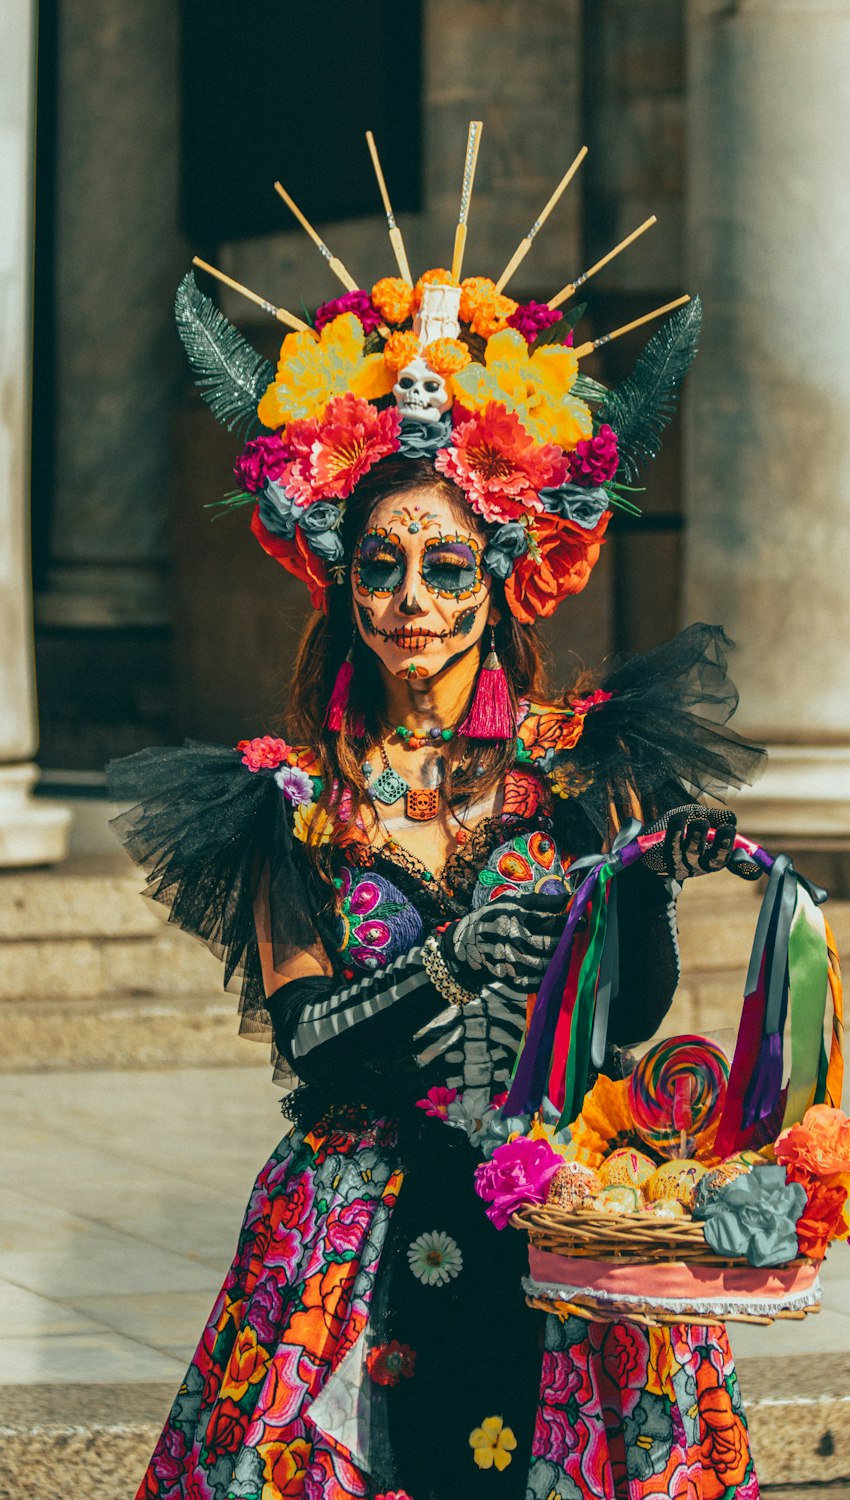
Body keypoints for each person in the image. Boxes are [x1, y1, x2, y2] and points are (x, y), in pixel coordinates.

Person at [110, 160, 766, 1500]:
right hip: (361, 1223)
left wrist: (642, 882)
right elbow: (305, 1048)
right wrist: (450, 966)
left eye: (446, 565)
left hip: (550, 1204)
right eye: (381, 566)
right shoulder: (285, 803)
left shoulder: (575, 775)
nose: (410, 598)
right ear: (341, 583)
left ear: (501, 580)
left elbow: (628, 1020)